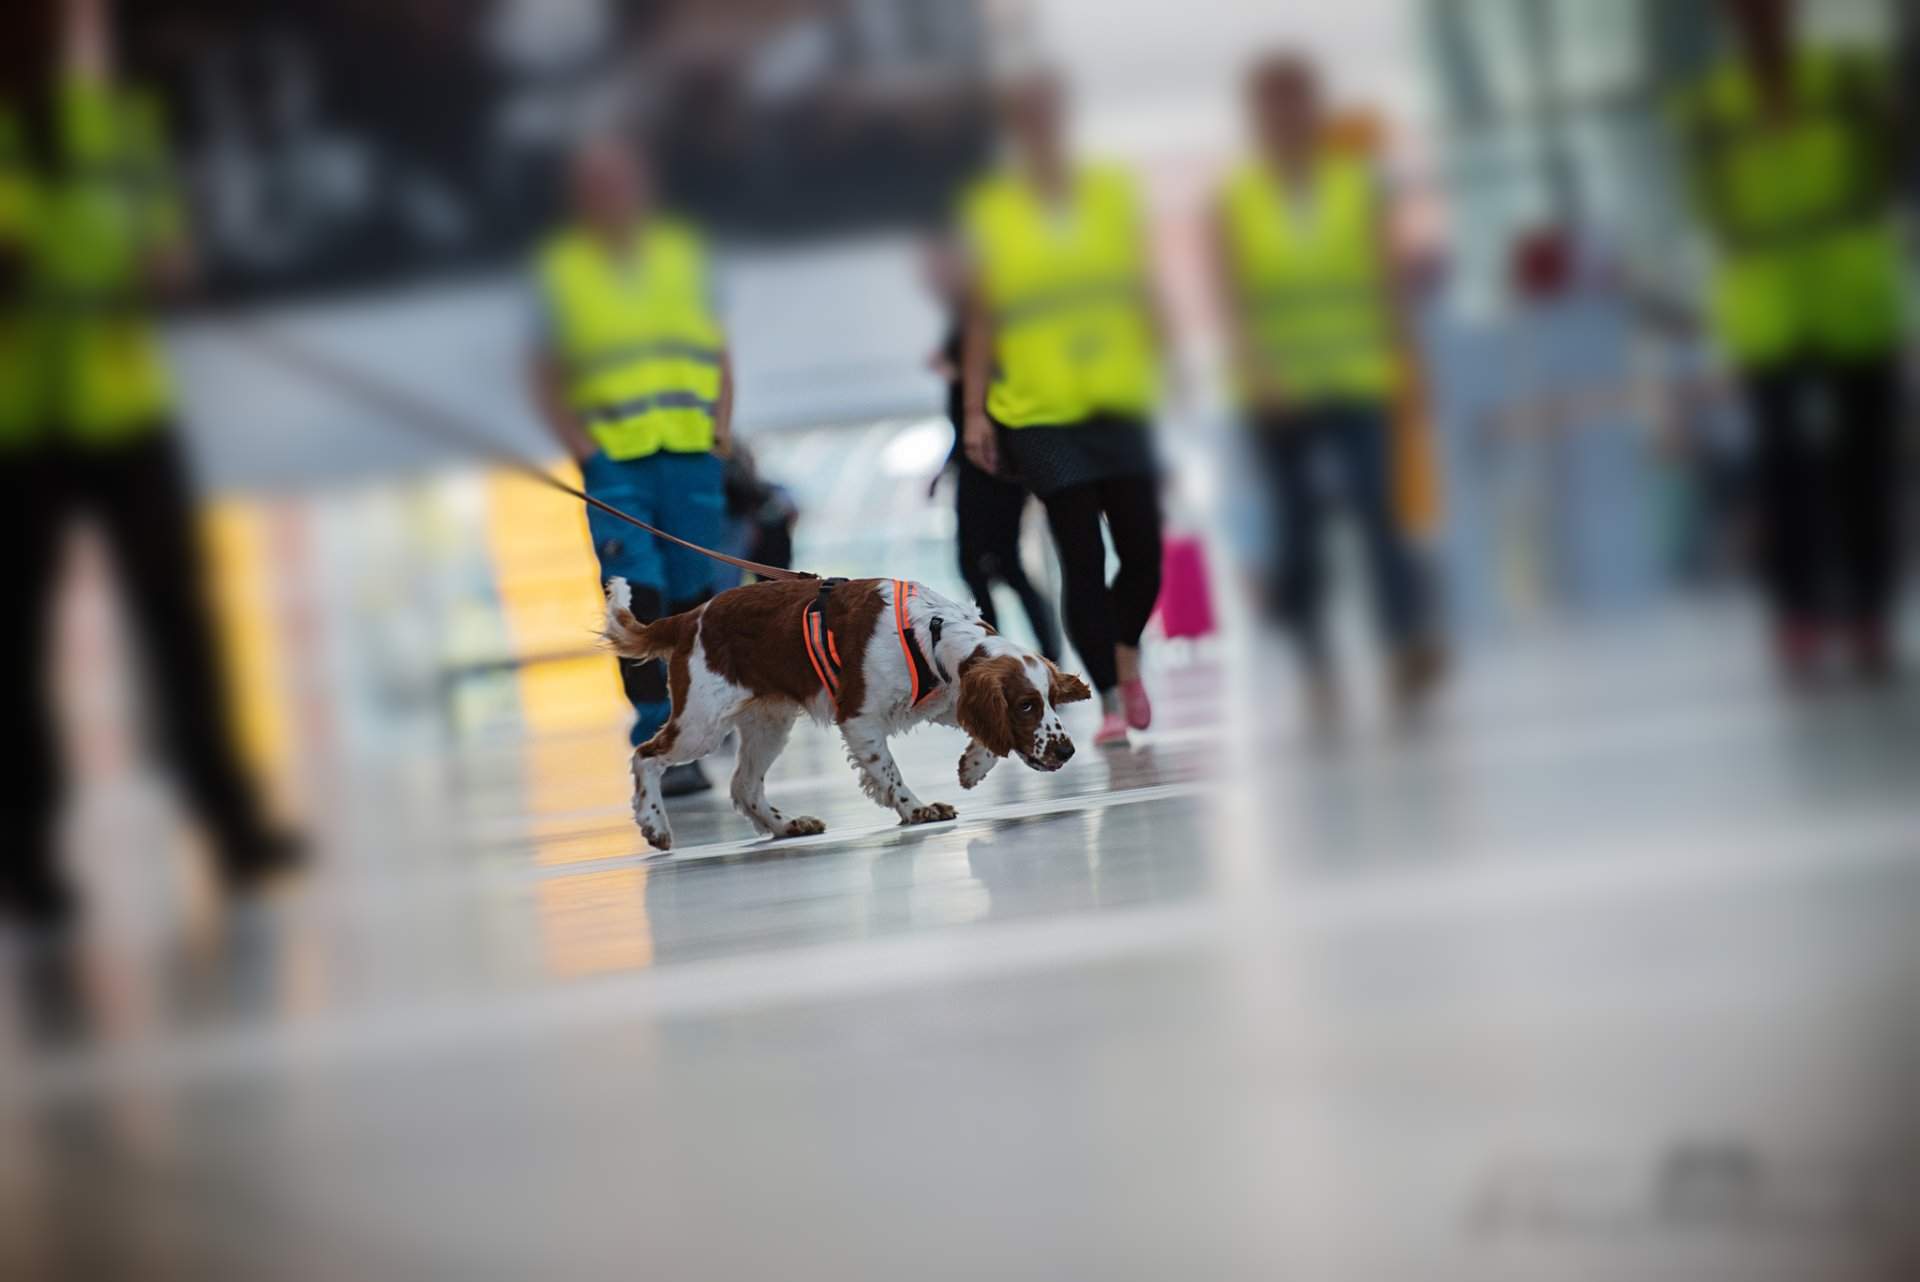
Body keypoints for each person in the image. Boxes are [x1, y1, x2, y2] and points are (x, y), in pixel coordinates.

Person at [0, 0, 298, 930]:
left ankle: (232, 820)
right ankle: (26, 856)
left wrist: (167, 265)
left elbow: (160, 236)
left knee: (177, 617)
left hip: (124, 407)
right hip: (21, 421)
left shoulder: (120, 128)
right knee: (16, 639)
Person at [1670, 0, 1906, 683]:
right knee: (1783, 466)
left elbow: (1885, 173)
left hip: (1854, 295)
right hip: (1767, 308)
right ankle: (1797, 612)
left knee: (1865, 462)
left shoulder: (1849, 77)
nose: (1759, 16)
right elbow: (1707, 206)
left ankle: (1869, 609)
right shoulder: (1709, 107)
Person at [1213, 53, 1441, 728]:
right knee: (1300, 528)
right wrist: (1259, 373)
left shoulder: (1355, 187)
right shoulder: (1240, 201)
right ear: (1258, 117)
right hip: (1278, 389)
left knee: (1379, 506)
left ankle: (1405, 646)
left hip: (1358, 373)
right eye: (1273, 105)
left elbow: (1385, 278)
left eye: (1297, 103)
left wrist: (1410, 364)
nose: (1286, 117)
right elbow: (1236, 301)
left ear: (1313, 110)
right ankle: (1316, 663)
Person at [959, 73, 1163, 748]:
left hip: (1116, 397)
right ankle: (1105, 693)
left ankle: (1125, 649)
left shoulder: (1108, 194)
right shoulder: (992, 211)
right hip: (1038, 409)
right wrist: (975, 411)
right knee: (1081, 553)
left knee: (1144, 552)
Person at [529, 135, 732, 795]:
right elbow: (544, 371)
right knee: (636, 603)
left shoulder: (683, 255)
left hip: (688, 457)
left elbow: (717, 348)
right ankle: (660, 734)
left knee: (700, 602)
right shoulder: (562, 271)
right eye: (600, 184)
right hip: (618, 464)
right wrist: (586, 449)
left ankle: (707, 718)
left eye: (624, 182)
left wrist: (719, 429)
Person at [926, 240, 1061, 663]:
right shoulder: (965, 317)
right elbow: (963, 409)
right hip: (974, 459)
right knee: (986, 563)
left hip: (996, 462)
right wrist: (946, 465)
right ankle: (1007, 652)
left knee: (996, 563)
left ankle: (1015, 654)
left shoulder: (985, 314)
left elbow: (992, 396)